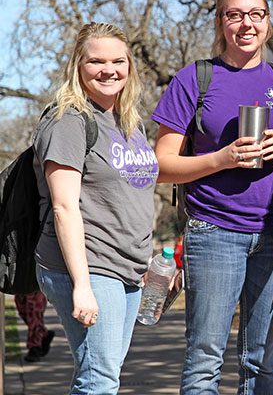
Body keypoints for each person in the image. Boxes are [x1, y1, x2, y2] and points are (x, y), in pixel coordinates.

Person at [152, 0, 273, 394]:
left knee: (262, 362)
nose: (246, 24)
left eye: (256, 14)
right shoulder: (195, 79)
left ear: (268, 22)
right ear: (221, 22)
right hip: (213, 232)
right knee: (204, 358)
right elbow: (161, 165)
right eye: (234, 15)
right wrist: (221, 159)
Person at [33, 22, 159, 394]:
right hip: (88, 267)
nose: (110, 69)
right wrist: (83, 285)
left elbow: (129, 197)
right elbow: (63, 207)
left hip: (126, 270)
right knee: (100, 380)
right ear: (78, 66)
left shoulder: (127, 123)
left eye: (119, 60)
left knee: (102, 376)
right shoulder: (70, 121)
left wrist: (150, 261)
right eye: (96, 61)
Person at [14, 291, 54, 363]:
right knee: (22, 310)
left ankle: (34, 348)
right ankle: (44, 334)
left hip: (35, 286)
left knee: (33, 314)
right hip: (20, 285)